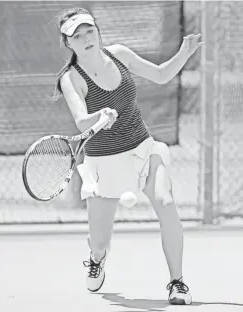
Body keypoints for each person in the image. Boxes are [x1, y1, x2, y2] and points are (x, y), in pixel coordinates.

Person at [52, 7, 203, 305]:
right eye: (77, 36)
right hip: (102, 162)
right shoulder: (71, 78)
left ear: (98, 31)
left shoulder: (119, 54)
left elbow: (160, 75)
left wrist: (185, 53)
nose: (85, 39)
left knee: (166, 201)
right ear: (68, 44)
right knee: (99, 241)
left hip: (142, 149)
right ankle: (97, 258)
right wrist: (100, 114)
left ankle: (177, 283)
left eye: (89, 31)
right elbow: (82, 121)